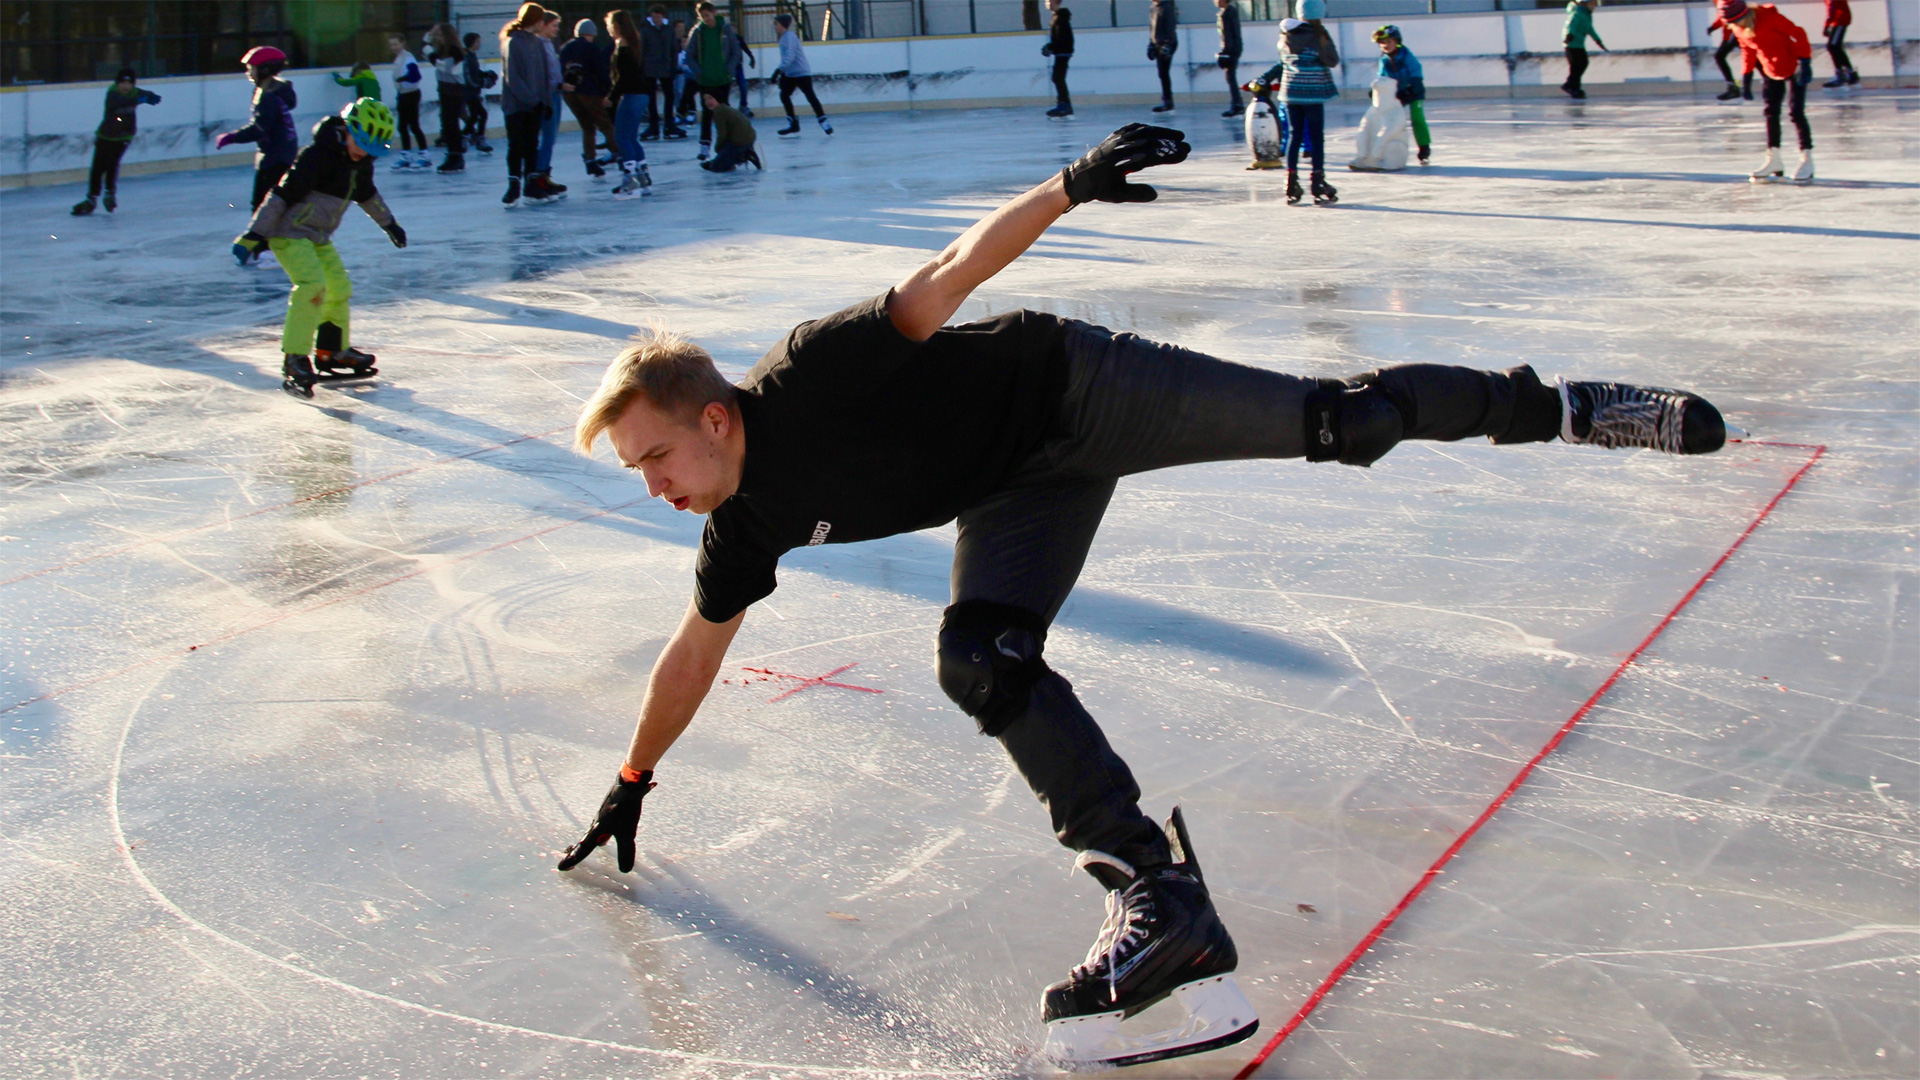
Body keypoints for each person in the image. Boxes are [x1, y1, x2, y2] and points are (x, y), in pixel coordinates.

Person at [552, 122, 1730, 1071]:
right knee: (981, 658)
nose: (653, 488)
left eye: (654, 460)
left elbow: (945, 275)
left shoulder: (808, 375)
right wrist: (629, 781)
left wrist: (1068, 183)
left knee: (1343, 420)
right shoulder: (739, 523)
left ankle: (1574, 407)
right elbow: (694, 652)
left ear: (713, 419)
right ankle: (1160, 900)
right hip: (1018, 493)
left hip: (1085, 392)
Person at [230, 98, 407, 400]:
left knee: (339, 287)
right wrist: (254, 234)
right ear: (348, 129)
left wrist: (389, 224)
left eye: (371, 149)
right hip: (288, 234)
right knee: (312, 286)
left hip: (318, 237)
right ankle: (295, 360)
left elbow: (367, 195)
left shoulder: (360, 163)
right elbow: (282, 194)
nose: (363, 153)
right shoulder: (318, 156)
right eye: (361, 143)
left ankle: (331, 351)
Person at [1719, 0, 1815, 182]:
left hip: (1794, 66)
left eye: (1735, 22)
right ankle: (1774, 159)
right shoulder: (1738, 28)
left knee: (1796, 112)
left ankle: (1807, 159)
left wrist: (1805, 62)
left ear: (1744, 15)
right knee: (1771, 112)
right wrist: (1746, 78)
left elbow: (1798, 33)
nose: (1734, 26)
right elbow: (1748, 50)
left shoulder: (1770, 17)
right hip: (1770, 68)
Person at [215, 45, 300, 227]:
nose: (248, 73)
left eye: (251, 68)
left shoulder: (268, 95)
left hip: (273, 157)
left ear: (265, 69)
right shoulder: (277, 90)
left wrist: (231, 137)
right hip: (284, 153)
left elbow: (260, 128)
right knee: (277, 203)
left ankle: (263, 249)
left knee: (263, 205)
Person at [72, 67, 161, 216]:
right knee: (97, 167)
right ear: (117, 83)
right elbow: (119, 103)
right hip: (105, 135)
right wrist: (140, 99)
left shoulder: (135, 93)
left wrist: (150, 97)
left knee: (112, 163)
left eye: (128, 83)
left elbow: (147, 96)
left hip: (123, 137)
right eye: (122, 83)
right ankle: (92, 198)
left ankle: (109, 193)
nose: (125, 86)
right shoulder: (113, 93)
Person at [1276, 0, 1340, 205]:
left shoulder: (1286, 34)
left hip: (1291, 92)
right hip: (1312, 92)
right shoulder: (1318, 34)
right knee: (1316, 137)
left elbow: (1283, 60)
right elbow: (1332, 60)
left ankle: (1291, 181)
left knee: (1295, 136)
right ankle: (1318, 181)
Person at [500, 3, 564, 205]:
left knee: (531, 146)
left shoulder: (537, 43)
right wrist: (533, 101)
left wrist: (546, 102)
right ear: (535, 21)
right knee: (516, 145)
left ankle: (531, 184)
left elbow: (544, 76)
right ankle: (514, 185)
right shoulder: (513, 42)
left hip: (535, 104)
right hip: (517, 105)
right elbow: (514, 78)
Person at [606, 9, 655, 198]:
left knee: (621, 137)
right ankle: (643, 177)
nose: (609, 29)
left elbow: (623, 77)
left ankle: (629, 180)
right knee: (632, 137)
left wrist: (611, 97)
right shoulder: (635, 42)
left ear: (616, 26)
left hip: (632, 95)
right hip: (642, 94)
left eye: (609, 25)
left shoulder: (623, 46)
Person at [561, 17, 618, 178]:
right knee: (605, 125)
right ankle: (620, 154)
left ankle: (590, 160)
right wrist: (609, 92)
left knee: (587, 127)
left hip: (570, 93)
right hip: (590, 93)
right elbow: (601, 72)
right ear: (592, 34)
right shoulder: (592, 49)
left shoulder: (566, 48)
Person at [685, 2, 741, 162]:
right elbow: (689, 55)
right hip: (706, 81)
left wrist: (729, 70)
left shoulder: (725, 29)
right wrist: (699, 73)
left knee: (724, 113)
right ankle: (704, 146)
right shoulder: (697, 31)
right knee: (707, 113)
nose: (706, 19)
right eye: (703, 17)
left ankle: (729, 144)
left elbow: (736, 51)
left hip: (722, 79)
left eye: (708, 16)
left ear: (714, 13)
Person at [1373, 24, 1430, 164]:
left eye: (1389, 42)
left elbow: (1416, 72)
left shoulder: (1406, 56)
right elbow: (1382, 78)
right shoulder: (1384, 60)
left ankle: (1424, 147)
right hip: (1397, 93)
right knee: (1389, 118)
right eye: (1382, 43)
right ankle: (1387, 146)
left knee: (1417, 118)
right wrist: (1376, 90)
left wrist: (1412, 89)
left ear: (1397, 42)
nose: (1385, 45)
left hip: (1414, 91)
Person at [772, 13, 832, 135]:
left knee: (810, 96)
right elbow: (786, 58)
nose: (774, 26)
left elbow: (789, 56)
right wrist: (783, 73)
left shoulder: (789, 38)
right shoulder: (783, 37)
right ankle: (793, 124)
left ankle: (823, 121)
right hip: (790, 74)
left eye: (776, 24)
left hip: (801, 73)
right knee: (784, 95)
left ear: (782, 25)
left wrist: (778, 71)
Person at [533, 12, 571, 190]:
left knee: (551, 137)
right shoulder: (539, 44)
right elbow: (540, 75)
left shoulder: (548, 44)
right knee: (547, 137)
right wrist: (559, 84)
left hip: (555, 93)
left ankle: (543, 174)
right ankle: (539, 176)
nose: (557, 29)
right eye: (554, 25)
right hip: (547, 95)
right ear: (544, 25)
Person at [639, 6, 688, 140]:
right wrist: (642, 68)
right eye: (654, 17)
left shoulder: (669, 29)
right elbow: (642, 50)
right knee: (651, 99)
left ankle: (669, 125)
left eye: (659, 17)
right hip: (649, 69)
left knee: (669, 97)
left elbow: (673, 49)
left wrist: (673, 67)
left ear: (663, 17)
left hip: (666, 67)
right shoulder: (646, 30)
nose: (656, 20)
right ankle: (653, 126)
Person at [425, 24, 468, 174]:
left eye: (441, 35)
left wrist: (431, 54)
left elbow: (445, 67)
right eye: (437, 36)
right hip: (445, 90)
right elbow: (425, 49)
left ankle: (456, 156)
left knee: (451, 123)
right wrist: (430, 35)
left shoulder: (456, 51)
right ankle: (453, 154)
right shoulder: (442, 50)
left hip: (454, 91)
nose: (438, 38)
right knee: (447, 123)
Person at [389, 33, 429, 168]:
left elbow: (416, 76)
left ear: (403, 43)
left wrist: (403, 78)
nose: (393, 47)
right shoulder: (399, 58)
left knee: (414, 125)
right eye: (391, 45)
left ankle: (424, 154)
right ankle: (406, 154)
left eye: (395, 44)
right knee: (402, 126)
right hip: (402, 94)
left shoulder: (408, 58)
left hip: (411, 94)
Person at [698, 88, 760, 172]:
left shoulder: (719, 112)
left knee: (716, 167)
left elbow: (722, 135)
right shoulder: (724, 108)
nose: (708, 102)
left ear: (717, 98)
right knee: (722, 159)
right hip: (749, 138)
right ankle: (738, 155)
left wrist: (718, 149)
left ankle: (744, 155)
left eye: (710, 98)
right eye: (705, 99)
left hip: (739, 142)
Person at [1561, 0, 1607, 100]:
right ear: (1585, 4)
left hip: (1579, 45)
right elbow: (1571, 24)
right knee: (1577, 66)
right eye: (1592, 4)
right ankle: (1570, 86)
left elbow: (1590, 29)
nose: (1594, 6)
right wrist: (1570, 35)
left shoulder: (1586, 16)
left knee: (1582, 63)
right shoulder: (1577, 13)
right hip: (1571, 44)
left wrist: (1598, 41)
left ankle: (1574, 87)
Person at [1705, 14, 1757, 101]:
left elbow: (1725, 14)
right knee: (1720, 56)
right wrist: (1713, 27)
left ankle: (1739, 89)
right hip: (1733, 34)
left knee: (1753, 59)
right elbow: (1723, 16)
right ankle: (1737, 89)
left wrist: (1713, 27)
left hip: (1736, 33)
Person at [462, 32, 498, 153]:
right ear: (471, 43)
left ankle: (465, 137)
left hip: (473, 92)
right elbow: (469, 78)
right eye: (477, 41)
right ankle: (477, 139)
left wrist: (487, 73)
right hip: (468, 93)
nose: (479, 44)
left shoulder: (472, 55)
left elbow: (476, 71)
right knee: (482, 114)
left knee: (474, 116)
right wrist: (484, 82)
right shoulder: (466, 57)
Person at [1042, 0, 1074, 119]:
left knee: (1058, 78)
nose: (1047, 4)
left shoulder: (1061, 18)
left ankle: (1064, 106)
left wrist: (1052, 48)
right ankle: (1063, 105)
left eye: (1050, 1)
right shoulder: (1056, 17)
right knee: (1057, 78)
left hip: (1063, 52)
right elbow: (1057, 37)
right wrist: (1051, 47)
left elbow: (1063, 37)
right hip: (1061, 51)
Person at [1148, 0, 1178, 113]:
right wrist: (1151, 44)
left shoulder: (1166, 7)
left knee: (1164, 72)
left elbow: (1170, 27)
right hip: (1157, 43)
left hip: (1167, 43)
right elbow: (1152, 28)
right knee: (1162, 73)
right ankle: (1166, 100)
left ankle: (1168, 102)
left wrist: (1168, 45)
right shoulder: (1154, 7)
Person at [1216, 0, 1244, 118]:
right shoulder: (1227, 12)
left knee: (1230, 77)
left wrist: (1226, 53)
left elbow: (1228, 35)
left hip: (1231, 50)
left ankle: (1237, 105)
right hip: (1232, 49)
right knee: (1230, 77)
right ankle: (1236, 104)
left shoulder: (1228, 13)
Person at [1822, 0, 1857, 87]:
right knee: (1835, 47)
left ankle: (1841, 75)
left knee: (1833, 46)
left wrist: (1827, 25)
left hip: (1839, 20)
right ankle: (1850, 73)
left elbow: (1832, 7)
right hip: (1839, 19)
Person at [727, 19, 757, 116]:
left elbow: (745, 48)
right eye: (731, 29)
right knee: (725, 87)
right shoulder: (725, 39)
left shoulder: (739, 38)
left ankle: (743, 106)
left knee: (743, 86)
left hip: (738, 66)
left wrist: (751, 57)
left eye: (734, 29)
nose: (733, 31)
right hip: (728, 66)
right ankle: (724, 107)